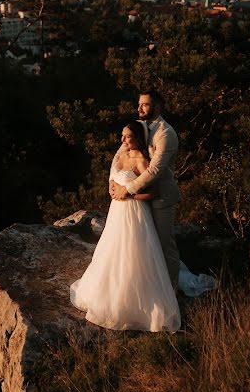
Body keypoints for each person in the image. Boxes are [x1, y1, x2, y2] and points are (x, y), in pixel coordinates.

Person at [70, 121, 181, 331]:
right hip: (116, 213)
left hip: (134, 212)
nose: (123, 140)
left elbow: (154, 193)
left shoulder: (141, 160)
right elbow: (114, 176)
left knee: (133, 253)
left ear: (137, 138)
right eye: (122, 136)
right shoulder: (121, 155)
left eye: (127, 137)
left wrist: (129, 193)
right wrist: (112, 188)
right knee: (112, 250)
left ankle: (132, 301)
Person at [109, 89, 181, 293]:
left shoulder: (166, 134)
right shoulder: (138, 126)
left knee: (164, 245)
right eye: (139, 104)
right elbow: (119, 153)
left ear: (157, 107)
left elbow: (155, 170)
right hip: (137, 201)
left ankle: (171, 291)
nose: (139, 108)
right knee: (141, 246)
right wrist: (112, 181)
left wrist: (127, 190)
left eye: (145, 105)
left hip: (160, 198)